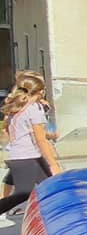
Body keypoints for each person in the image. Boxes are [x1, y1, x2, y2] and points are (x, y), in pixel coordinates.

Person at [0, 73, 62, 224]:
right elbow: (40, 140)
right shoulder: (33, 109)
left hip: (26, 156)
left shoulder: (19, 108)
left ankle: (57, 215)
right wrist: (53, 164)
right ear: (40, 91)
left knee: (52, 184)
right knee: (23, 193)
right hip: (26, 157)